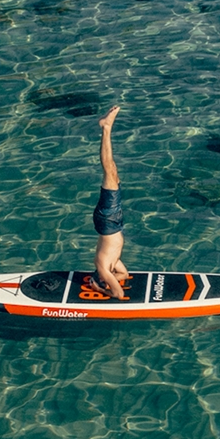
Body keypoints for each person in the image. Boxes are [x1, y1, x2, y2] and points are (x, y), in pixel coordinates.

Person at [89, 105, 129, 299]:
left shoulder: (103, 267)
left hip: (107, 221)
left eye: (107, 279)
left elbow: (119, 295)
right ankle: (106, 127)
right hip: (115, 223)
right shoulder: (113, 265)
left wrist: (99, 290)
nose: (111, 277)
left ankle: (106, 128)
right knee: (113, 172)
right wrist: (114, 277)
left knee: (109, 171)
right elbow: (124, 275)